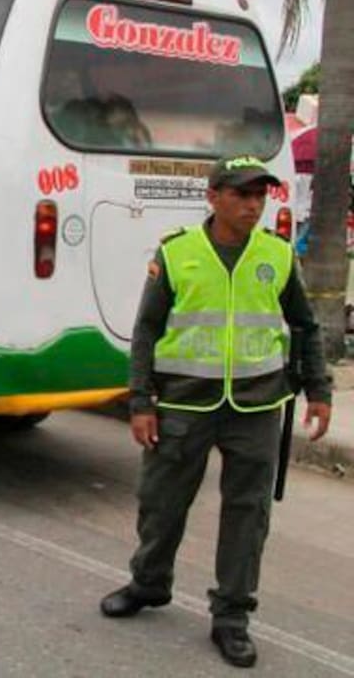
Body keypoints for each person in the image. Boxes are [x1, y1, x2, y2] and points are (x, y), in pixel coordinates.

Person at [100, 155, 333, 668]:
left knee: (248, 515)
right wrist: (141, 401)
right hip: (183, 403)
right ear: (213, 196)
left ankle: (232, 617)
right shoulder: (177, 253)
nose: (254, 205)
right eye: (242, 194)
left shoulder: (276, 254)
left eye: (260, 195)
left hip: (257, 405)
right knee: (160, 503)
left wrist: (319, 389)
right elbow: (146, 331)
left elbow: (304, 326)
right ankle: (149, 583)